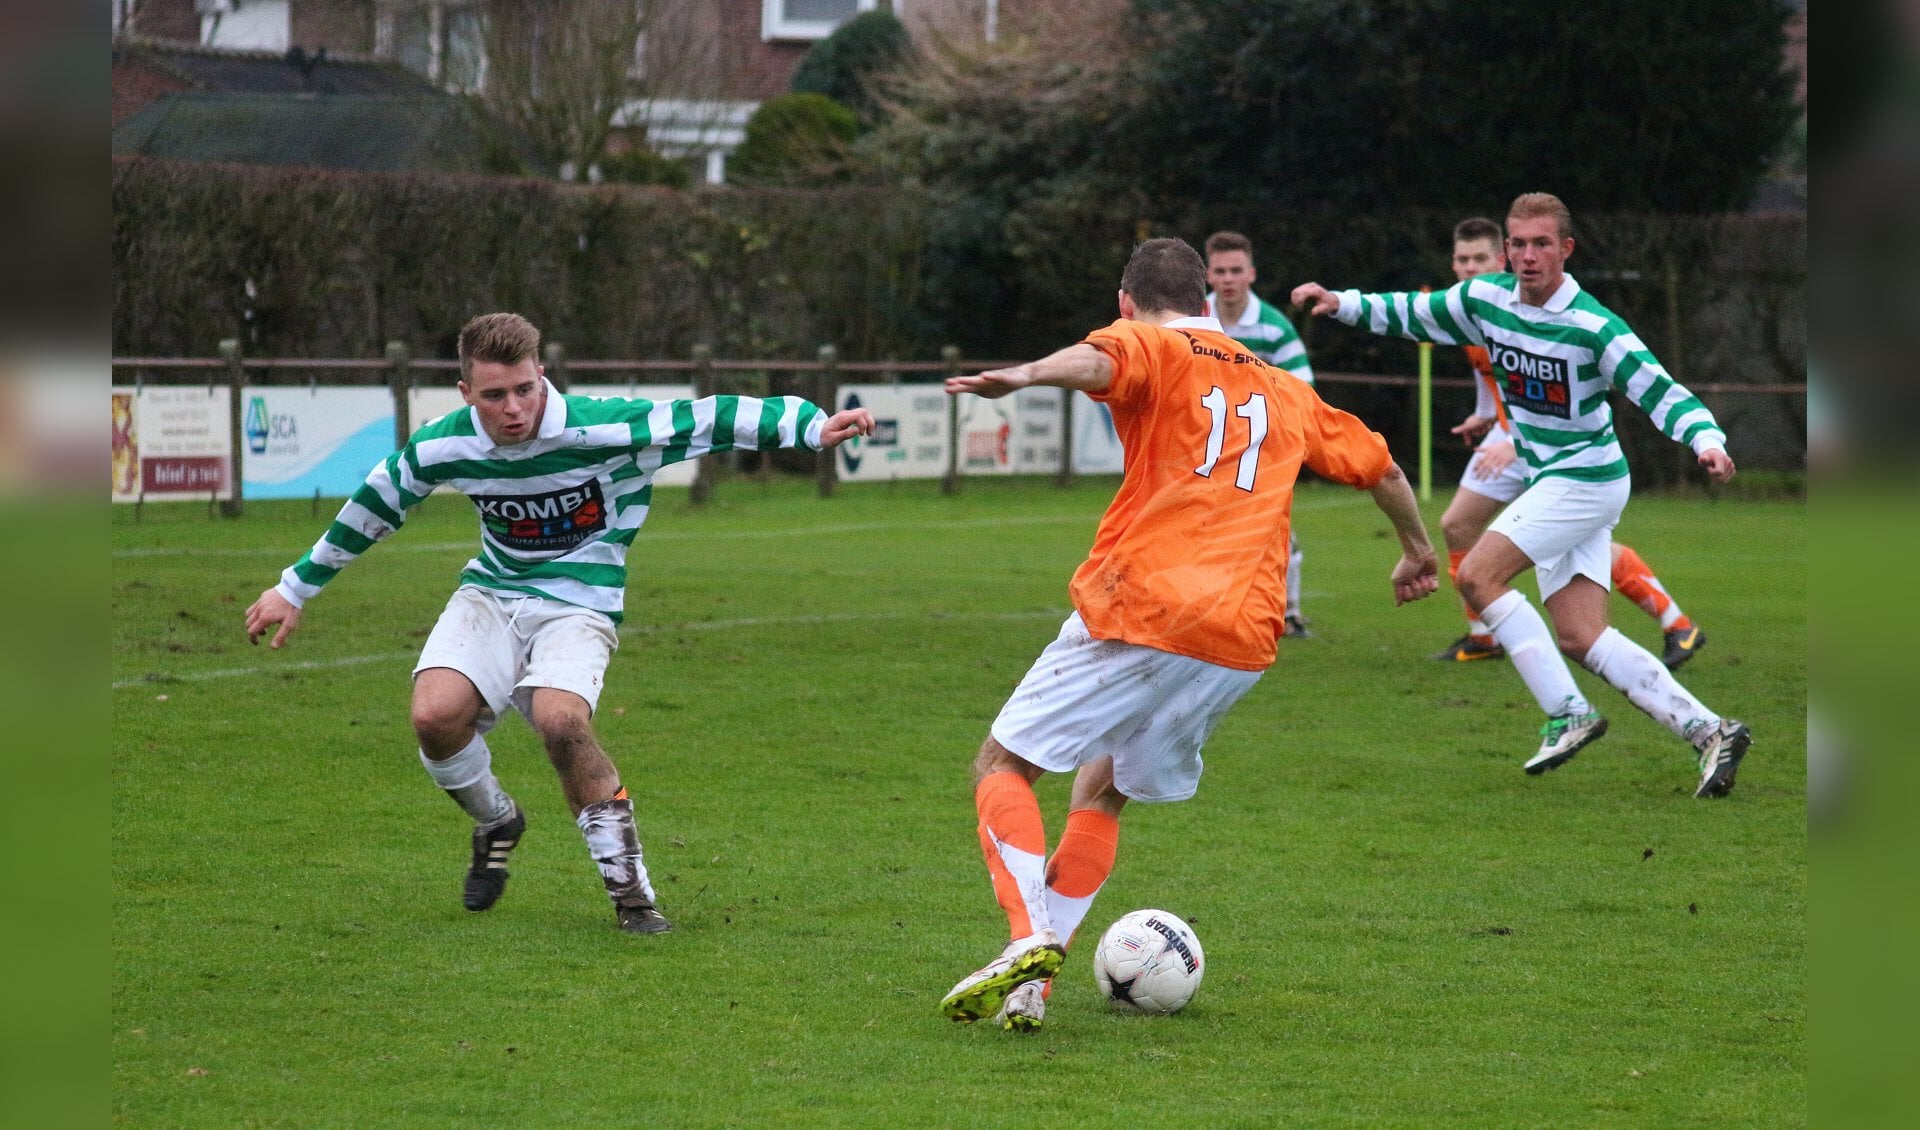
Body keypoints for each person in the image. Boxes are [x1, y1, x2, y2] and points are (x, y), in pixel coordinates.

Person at [937, 238, 1438, 1032]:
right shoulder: (1281, 386)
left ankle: (1026, 937)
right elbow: (1382, 469)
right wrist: (1417, 550)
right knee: (1101, 787)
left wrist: (1026, 374)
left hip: (1145, 604)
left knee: (1003, 764)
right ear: (1208, 300)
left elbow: (1098, 361)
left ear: (1127, 300)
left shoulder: (1151, 341)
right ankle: (1035, 986)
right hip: (1240, 637)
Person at [243, 313, 873, 933]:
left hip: (582, 599)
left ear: (542, 375)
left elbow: (711, 417)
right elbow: (380, 499)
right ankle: (497, 820)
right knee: (433, 718)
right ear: (466, 394)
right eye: (494, 396)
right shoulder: (444, 443)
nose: (514, 408)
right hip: (492, 591)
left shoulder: (606, 427)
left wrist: (813, 428)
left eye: (525, 389)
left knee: (560, 721)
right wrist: (295, 587)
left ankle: (632, 897)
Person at [1292, 193, 1751, 799]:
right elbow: (1415, 311)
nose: (1528, 256)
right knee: (1581, 637)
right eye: (1518, 244)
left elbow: (1659, 389)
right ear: (1505, 249)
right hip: (1556, 479)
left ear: (1566, 250)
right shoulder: (1485, 300)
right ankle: (1710, 731)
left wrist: (1706, 441)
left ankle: (1569, 713)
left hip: (1585, 479)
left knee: (1478, 577)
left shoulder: (1593, 326)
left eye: (1541, 244)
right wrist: (1341, 303)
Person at [1430, 218, 1708, 670]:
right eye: (1462, 260)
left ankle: (1677, 624)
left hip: (1541, 443)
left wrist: (1514, 444)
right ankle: (1483, 635)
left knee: (1578, 546)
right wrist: (1484, 416)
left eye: (1479, 259)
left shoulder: (1540, 311)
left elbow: (1547, 397)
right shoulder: (1475, 313)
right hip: (1510, 433)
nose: (1469, 268)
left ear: (1501, 260)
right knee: (1458, 525)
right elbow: (1494, 379)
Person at [1205, 231, 1316, 638]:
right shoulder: (1195, 319)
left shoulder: (1273, 327)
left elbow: (1303, 387)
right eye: (1220, 271)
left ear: (1251, 274)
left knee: (1274, 528)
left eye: (1236, 270)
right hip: (1205, 447)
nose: (1228, 278)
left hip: (1261, 445)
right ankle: (1213, 610)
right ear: (1207, 274)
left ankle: (1288, 614)